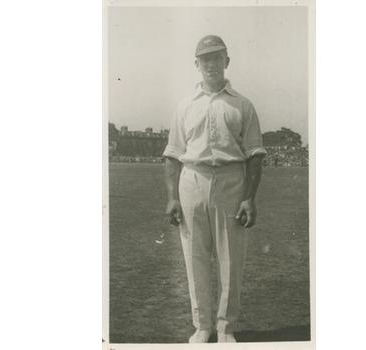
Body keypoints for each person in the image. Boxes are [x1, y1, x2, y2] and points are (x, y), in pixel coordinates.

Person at [162, 35, 266, 343]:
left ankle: (225, 327)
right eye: (205, 58)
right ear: (196, 64)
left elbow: (255, 155)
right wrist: (171, 197)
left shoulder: (242, 105)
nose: (211, 63)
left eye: (217, 57)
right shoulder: (184, 106)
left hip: (231, 182)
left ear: (227, 61)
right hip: (191, 180)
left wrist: (249, 197)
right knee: (195, 257)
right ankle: (202, 325)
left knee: (231, 259)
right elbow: (172, 154)